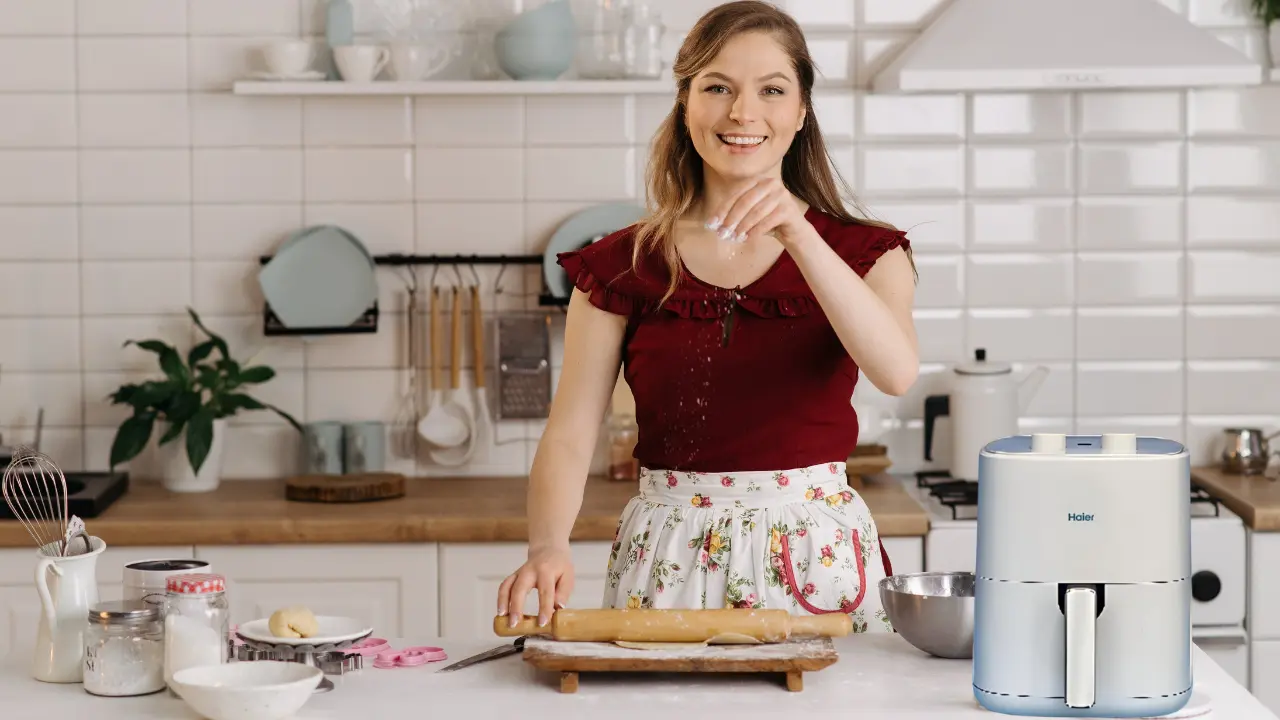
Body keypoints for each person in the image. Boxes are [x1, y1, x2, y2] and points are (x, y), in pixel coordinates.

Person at [496, 0, 919, 634]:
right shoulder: (621, 265)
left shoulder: (868, 253)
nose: (742, 112)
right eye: (717, 87)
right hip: (668, 555)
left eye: (771, 90)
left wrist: (798, 234)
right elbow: (570, 432)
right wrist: (546, 546)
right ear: (686, 104)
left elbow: (895, 372)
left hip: (815, 557)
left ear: (801, 110)